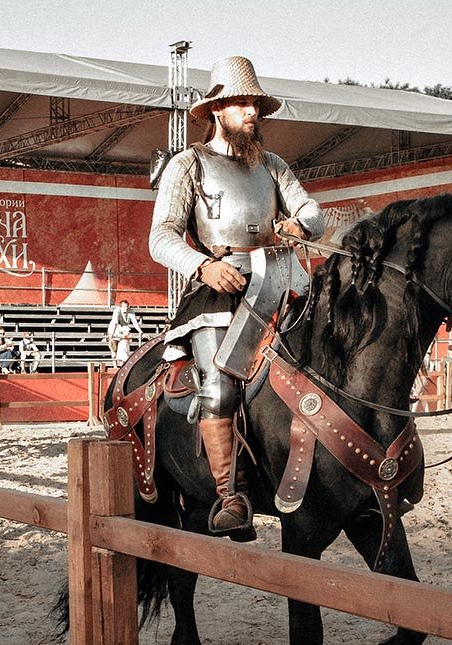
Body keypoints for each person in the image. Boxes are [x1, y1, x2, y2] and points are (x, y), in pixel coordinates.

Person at [148, 55, 324, 536]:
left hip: (284, 281)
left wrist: (299, 223)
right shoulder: (187, 165)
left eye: (256, 105)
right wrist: (203, 266)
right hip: (219, 289)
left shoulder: (273, 165)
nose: (253, 112)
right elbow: (160, 237)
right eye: (243, 103)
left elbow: (314, 211)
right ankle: (230, 498)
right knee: (221, 385)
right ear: (217, 108)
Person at [107, 300, 143, 367]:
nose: (125, 308)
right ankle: (115, 366)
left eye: (126, 306)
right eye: (123, 307)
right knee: (114, 350)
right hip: (115, 330)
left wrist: (141, 331)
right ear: (120, 307)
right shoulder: (117, 311)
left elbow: (135, 322)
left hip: (124, 330)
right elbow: (115, 323)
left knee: (124, 346)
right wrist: (112, 334)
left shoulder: (131, 311)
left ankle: (123, 366)